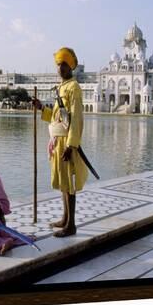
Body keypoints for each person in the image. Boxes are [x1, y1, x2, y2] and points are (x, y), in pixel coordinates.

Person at [32, 47, 88, 237]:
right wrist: (42, 108)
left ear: (71, 66)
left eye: (64, 64)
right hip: (58, 141)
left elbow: (77, 119)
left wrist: (72, 146)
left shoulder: (74, 88)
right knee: (63, 182)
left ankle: (71, 225)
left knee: (70, 184)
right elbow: (58, 117)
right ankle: (65, 218)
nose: (60, 68)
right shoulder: (61, 87)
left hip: (67, 143)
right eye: (58, 64)